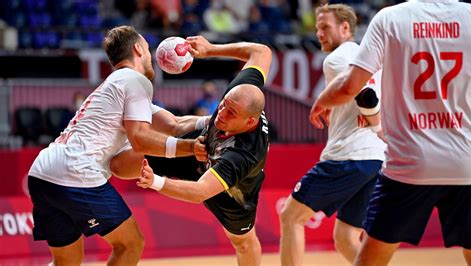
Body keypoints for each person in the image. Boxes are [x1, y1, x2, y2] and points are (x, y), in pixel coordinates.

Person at [309, 1, 471, 265]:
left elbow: (352, 86)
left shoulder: (390, 18)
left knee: (370, 260)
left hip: (410, 164)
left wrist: (322, 100)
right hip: (467, 162)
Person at [27, 25, 204, 266]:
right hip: (76, 173)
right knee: (130, 244)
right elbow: (140, 139)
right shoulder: (136, 81)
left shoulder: (117, 86)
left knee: (65, 263)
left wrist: (213, 119)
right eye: (149, 49)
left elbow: (174, 124)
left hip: (43, 172)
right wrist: (191, 148)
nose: (151, 56)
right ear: (138, 48)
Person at [111, 35, 272, 266]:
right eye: (223, 104)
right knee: (120, 165)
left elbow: (200, 192)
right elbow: (262, 51)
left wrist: (155, 181)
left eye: (231, 113)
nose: (222, 113)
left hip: (230, 192)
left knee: (244, 243)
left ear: (249, 122)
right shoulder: (241, 93)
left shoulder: (244, 155)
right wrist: (210, 49)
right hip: (201, 149)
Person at [278, 4, 386, 265]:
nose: (319, 34)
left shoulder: (336, 58)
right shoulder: (370, 57)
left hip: (348, 157)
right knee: (346, 236)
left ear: (345, 28)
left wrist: (376, 124)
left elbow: (365, 95)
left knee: (291, 217)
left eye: (325, 27)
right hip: (375, 159)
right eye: (317, 28)